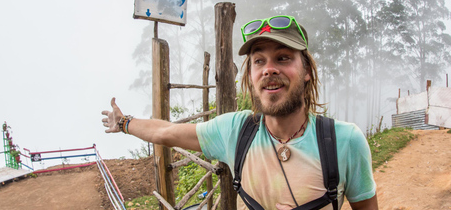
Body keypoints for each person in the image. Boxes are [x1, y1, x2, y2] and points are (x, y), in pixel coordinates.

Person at [102, 15, 378, 210]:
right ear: (251, 75)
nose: (269, 68)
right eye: (259, 61)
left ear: (306, 71)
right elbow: (166, 132)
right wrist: (124, 122)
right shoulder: (234, 131)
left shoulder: (344, 140)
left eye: (283, 57)